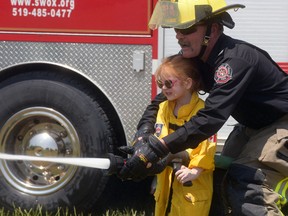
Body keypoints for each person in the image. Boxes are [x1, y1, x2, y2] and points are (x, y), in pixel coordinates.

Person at [119, 0, 288, 215]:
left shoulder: (234, 60)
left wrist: (158, 148)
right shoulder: (196, 58)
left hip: (281, 123)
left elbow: (211, 118)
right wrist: (143, 136)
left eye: (187, 29)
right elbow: (161, 99)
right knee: (219, 176)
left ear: (213, 30)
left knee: (247, 185)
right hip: (253, 126)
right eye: (177, 29)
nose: (179, 35)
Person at [150, 54, 216, 216]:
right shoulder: (164, 108)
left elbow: (207, 146)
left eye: (168, 83)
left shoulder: (202, 111)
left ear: (187, 83)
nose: (164, 88)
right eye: (160, 83)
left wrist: (196, 170)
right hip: (167, 179)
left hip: (193, 181)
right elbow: (161, 138)